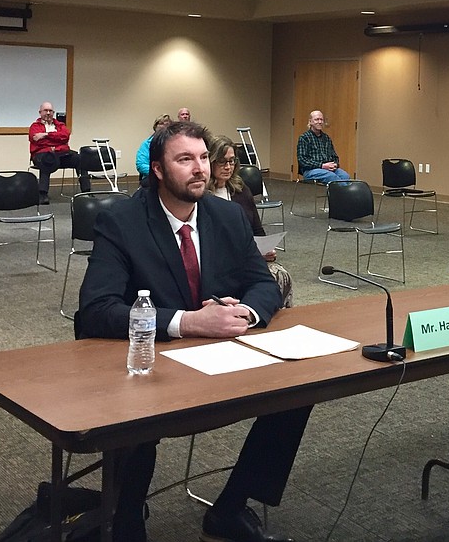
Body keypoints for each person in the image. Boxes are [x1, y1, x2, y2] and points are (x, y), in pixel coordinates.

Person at [78, 120, 309, 542]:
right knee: (133, 422)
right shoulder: (122, 221)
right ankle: (127, 522)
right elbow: (95, 310)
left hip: (221, 350)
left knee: (298, 389)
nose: (199, 168)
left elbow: (262, 282)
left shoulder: (228, 216)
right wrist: (186, 321)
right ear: (159, 171)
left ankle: (231, 507)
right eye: (185, 159)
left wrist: (247, 313)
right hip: (150, 357)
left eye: (203, 157)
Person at [207, 134, 293, 307]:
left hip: (247, 257)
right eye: (222, 161)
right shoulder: (202, 196)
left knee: (281, 275)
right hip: (218, 262)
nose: (228, 167)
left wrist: (267, 250)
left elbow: (257, 231)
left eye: (232, 161)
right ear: (210, 162)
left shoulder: (241, 190)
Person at [28, 101, 90, 202]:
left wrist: (46, 135)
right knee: (47, 160)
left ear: (53, 113)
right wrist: (56, 141)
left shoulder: (60, 125)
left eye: (50, 111)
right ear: (40, 112)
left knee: (79, 159)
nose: (48, 113)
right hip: (41, 156)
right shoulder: (35, 127)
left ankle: (87, 191)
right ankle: (43, 194)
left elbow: (65, 136)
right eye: (45, 110)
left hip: (61, 155)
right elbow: (37, 141)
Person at [295, 110, 350, 184]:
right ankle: (346, 194)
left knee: (345, 176)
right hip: (311, 170)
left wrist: (334, 165)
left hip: (328, 169)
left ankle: (340, 194)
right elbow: (302, 160)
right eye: (316, 119)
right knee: (332, 177)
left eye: (321, 119)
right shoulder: (304, 138)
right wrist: (322, 165)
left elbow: (335, 157)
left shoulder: (326, 138)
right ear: (310, 121)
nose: (320, 122)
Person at [135, 114, 170, 188]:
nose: (163, 126)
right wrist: (159, 172)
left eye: (166, 124)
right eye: (161, 123)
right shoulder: (146, 144)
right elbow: (141, 164)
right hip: (152, 177)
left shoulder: (175, 144)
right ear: (155, 126)